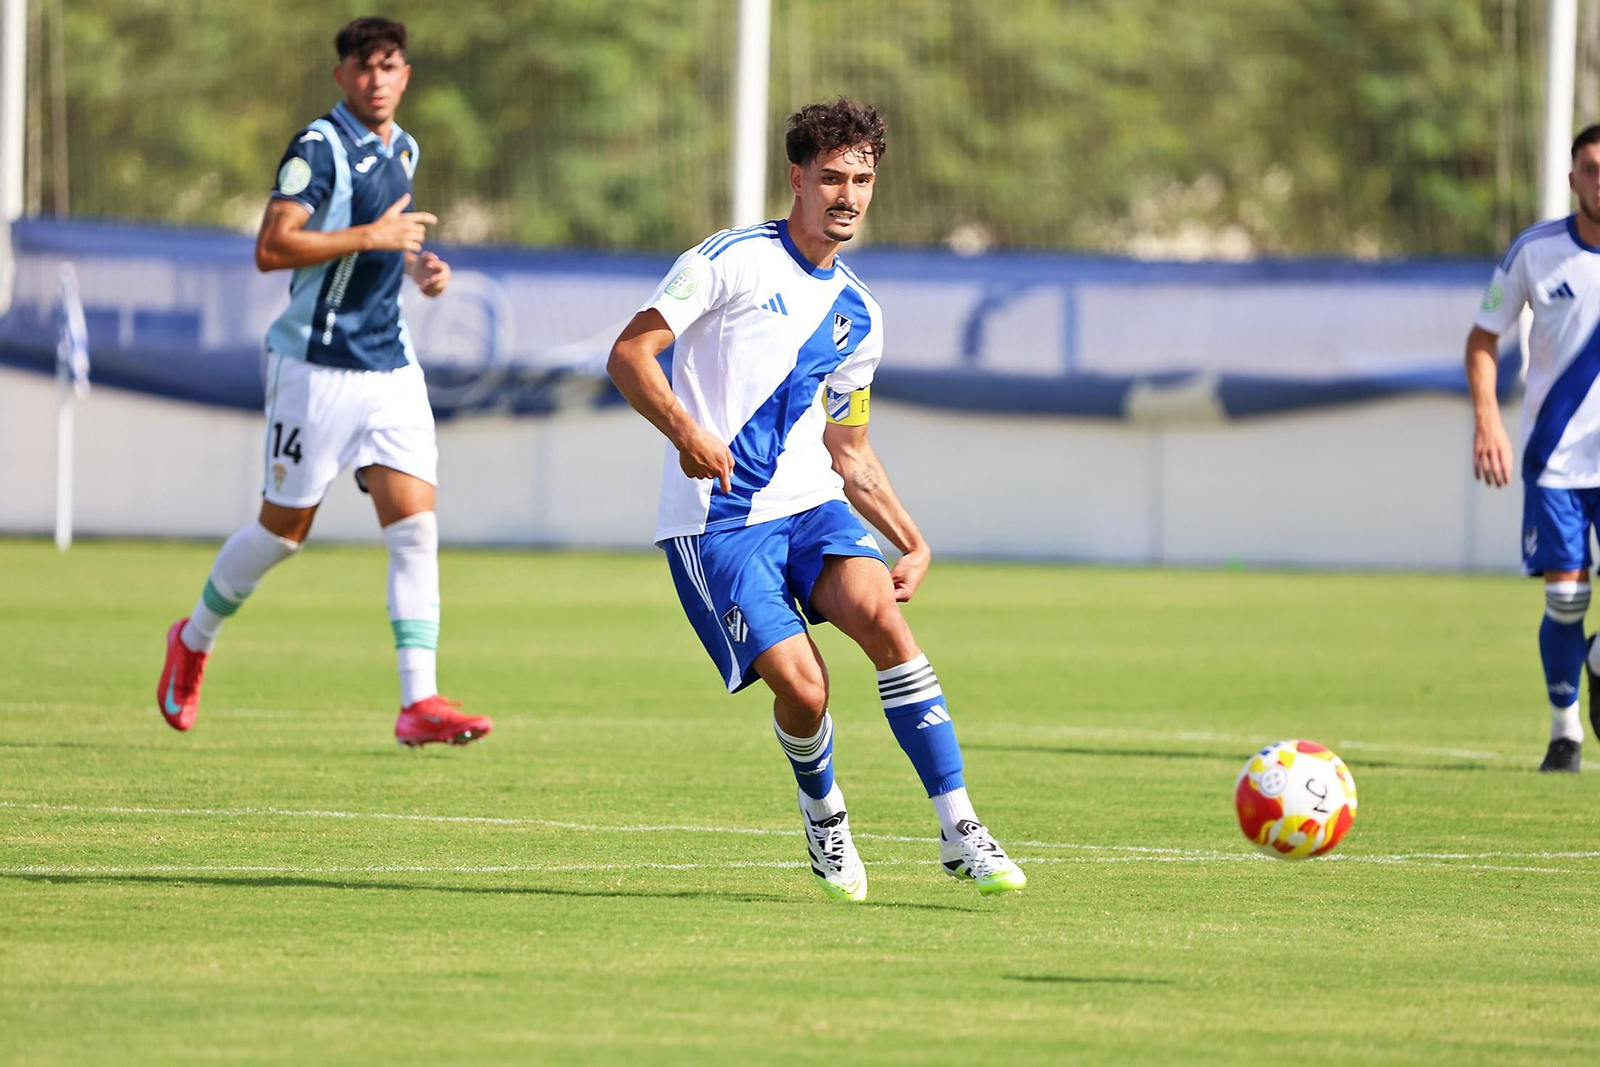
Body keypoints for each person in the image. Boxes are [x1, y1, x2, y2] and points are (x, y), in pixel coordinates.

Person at [606, 98, 1025, 900]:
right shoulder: (728, 260)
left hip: (808, 504)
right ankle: (823, 811)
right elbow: (631, 354)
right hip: (717, 519)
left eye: (863, 179)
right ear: (796, 179)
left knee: (884, 618)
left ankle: (959, 824)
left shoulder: (860, 315)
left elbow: (849, 449)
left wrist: (912, 536)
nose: (849, 195)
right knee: (805, 689)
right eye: (832, 177)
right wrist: (687, 432)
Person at [156, 16, 491, 748]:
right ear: (342, 76)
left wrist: (416, 265)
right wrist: (375, 239)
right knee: (284, 534)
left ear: (407, 75)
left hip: (390, 368)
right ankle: (195, 634)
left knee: (415, 529)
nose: (377, 78)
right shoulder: (319, 145)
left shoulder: (403, 147)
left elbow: (381, 239)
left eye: (390, 65)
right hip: (314, 364)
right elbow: (273, 246)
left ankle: (419, 700)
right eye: (364, 66)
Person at [1468, 123, 1600, 773]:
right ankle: (1565, 732)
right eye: (1592, 168)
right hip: (1557, 461)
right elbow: (1483, 337)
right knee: (1567, 600)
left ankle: (1596, 661)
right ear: (1573, 178)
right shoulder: (1536, 251)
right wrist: (1488, 420)